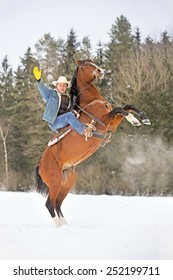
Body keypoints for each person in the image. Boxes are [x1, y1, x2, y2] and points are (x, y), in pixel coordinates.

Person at [33, 66, 93, 138]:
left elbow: (70, 109)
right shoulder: (51, 94)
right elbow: (43, 90)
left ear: (66, 87)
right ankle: (84, 131)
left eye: (64, 85)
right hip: (54, 122)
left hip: (64, 119)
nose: (62, 87)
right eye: (60, 85)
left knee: (77, 114)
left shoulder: (68, 97)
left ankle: (93, 129)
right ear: (56, 86)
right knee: (69, 115)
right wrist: (39, 80)